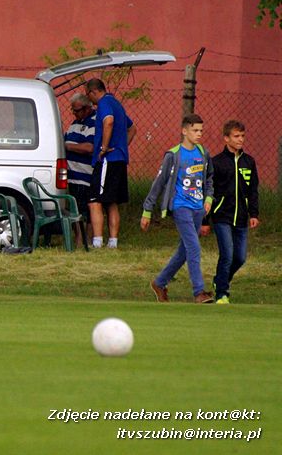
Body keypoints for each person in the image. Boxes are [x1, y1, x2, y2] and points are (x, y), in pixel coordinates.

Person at [141, 114, 214, 303]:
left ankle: (159, 282)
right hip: (181, 206)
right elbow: (159, 183)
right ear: (184, 131)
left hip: (198, 208)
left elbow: (209, 178)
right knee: (194, 247)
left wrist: (208, 197)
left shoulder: (203, 153)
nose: (199, 134)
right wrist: (147, 210)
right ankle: (199, 292)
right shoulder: (173, 155)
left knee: (184, 251)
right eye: (195, 130)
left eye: (201, 131)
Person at [200, 120, 260, 304]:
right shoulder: (217, 162)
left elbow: (253, 190)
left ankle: (220, 281)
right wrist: (205, 221)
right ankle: (222, 294)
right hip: (221, 217)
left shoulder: (249, 162)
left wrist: (254, 214)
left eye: (242, 136)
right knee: (227, 254)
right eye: (236, 136)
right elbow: (209, 191)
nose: (240, 139)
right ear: (226, 138)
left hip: (241, 218)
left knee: (239, 257)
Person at [86, 78, 136, 249]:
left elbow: (108, 121)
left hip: (107, 160)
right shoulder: (117, 103)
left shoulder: (104, 103)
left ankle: (97, 241)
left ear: (93, 91)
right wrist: (122, 146)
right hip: (120, 159)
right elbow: (132, 128)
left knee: (94, 200)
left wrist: (104, 147)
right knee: (112, 201)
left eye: (89, 95)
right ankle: (113, 242)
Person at [63, 93, 95, 244]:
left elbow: (89, 147)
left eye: (77, 110)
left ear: (87, 108)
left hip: (85, 176)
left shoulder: (93, 123)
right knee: (75, 208)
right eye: (73, 110)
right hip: (72, 175)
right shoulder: (75, 123)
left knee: (85, 210)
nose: (74, 113)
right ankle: (79, 238)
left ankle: (85, 239)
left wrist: (67, 146)